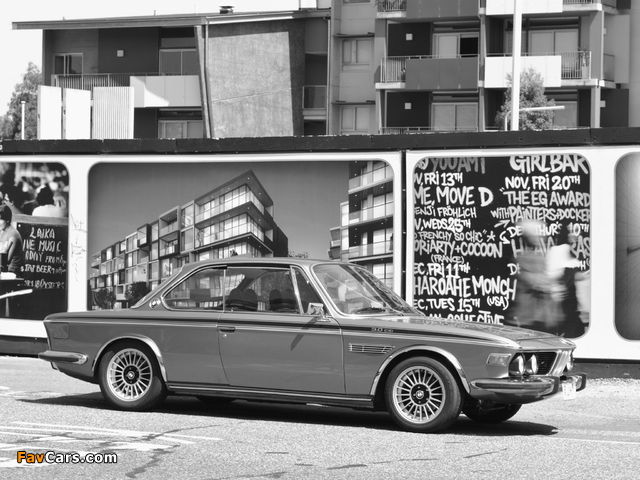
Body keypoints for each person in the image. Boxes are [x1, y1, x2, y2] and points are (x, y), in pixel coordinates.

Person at [511, 219, 556, 333]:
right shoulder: (523, 257)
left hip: (539, 315)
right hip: (529, 315)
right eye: (536, 235)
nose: (540, 238)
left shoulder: (539, 257)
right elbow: (536, 281)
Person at [546, 221, 586, 337]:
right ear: (567, 234)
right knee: (572, 324)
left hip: (559, 297)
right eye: (572, 232)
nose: (576, 235)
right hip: (566, 297)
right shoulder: (564, 249)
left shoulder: (554, 250)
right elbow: (565, 273)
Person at [0, 204, 25, 273]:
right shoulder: (1, 231)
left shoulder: (13, 234)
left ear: (7, 220)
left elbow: (6, 260)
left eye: (0, 219)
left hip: (12, 272)